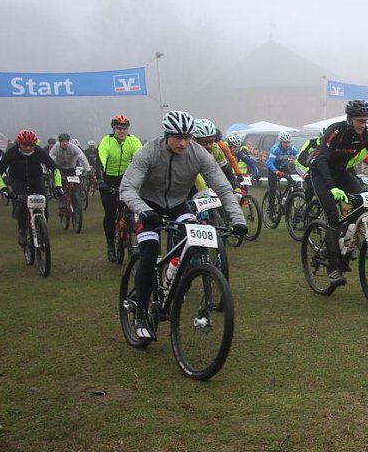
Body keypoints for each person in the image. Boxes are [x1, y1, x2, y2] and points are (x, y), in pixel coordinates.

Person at [119, 110, 248, 340]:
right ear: (166, 135)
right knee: (149, 254)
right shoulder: (149, 151)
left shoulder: (198, 153)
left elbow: (223, 187)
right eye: (178, 137)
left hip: (178, 205)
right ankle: (140, 313)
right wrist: (143, 210)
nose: (183, 143)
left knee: (194, 245)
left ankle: (175, 282)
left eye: (187, 137)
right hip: (148, 206)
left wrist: (237, 219)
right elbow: (127, 188)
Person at [309, 99, 368, 288]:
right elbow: (322, 160)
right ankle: (334, 269)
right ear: (350, 118)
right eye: (360, 121)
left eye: (365, 120)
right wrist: (332, 188)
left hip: (341, 172)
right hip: (321, 173)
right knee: (333, 218)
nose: (363, 124)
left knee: (361, 205)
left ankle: (347, 241)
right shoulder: (336, 130)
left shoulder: (367, 137)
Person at [0, 130, 62, 245]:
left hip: (36, 179)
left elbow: (55, 169)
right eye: (25, 145)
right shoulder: (12, 152)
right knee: (23, 203)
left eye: (31, 145)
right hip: (18, 180)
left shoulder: (39, 152)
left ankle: (42, 229)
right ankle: (22, 230)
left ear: (35, 144)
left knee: (43, 203)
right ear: (19, 144)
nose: (28, 148)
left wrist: (58, 186)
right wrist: (4, 189)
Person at [98, 114, 143, 262]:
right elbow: (101, 161)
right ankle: (111, 245)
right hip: (108, 180)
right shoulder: (106, 142)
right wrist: (100, 180)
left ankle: (132, 232)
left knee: (132, 210)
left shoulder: (133, 141)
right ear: (113, 129)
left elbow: (141, 160)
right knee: (110, 213)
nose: (122, 131)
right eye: (119, 128)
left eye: (124, 128)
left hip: (126, 179)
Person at [265, 131, 299, 207]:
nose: (287, 145)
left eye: (288, 142)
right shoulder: (275, 149)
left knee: (292, 182)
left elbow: (299, 157)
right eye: (285, 143)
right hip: (273, 168)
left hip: (283, 166)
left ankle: (285, 198)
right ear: (281, 142)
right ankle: (271, 208)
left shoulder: (292, 149)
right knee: (272, 189)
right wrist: (276, 171)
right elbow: (269, 163)